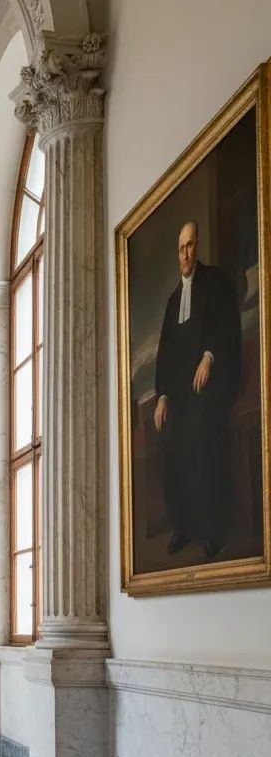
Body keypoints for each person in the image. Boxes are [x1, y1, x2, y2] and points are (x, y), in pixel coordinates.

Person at [153, 220, 242, 559]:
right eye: (181, 248)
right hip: (180, 394)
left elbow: (225, 325)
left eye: (190, 245)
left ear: (198, 246)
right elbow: (166, 352)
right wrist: (162, 396)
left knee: (205, 430)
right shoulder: (174, 301)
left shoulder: (216, 281)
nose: (186, 253)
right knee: (171, 435)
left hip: (213, 383)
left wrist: (208, 357)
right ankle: (184, 525)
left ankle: (212, 528)